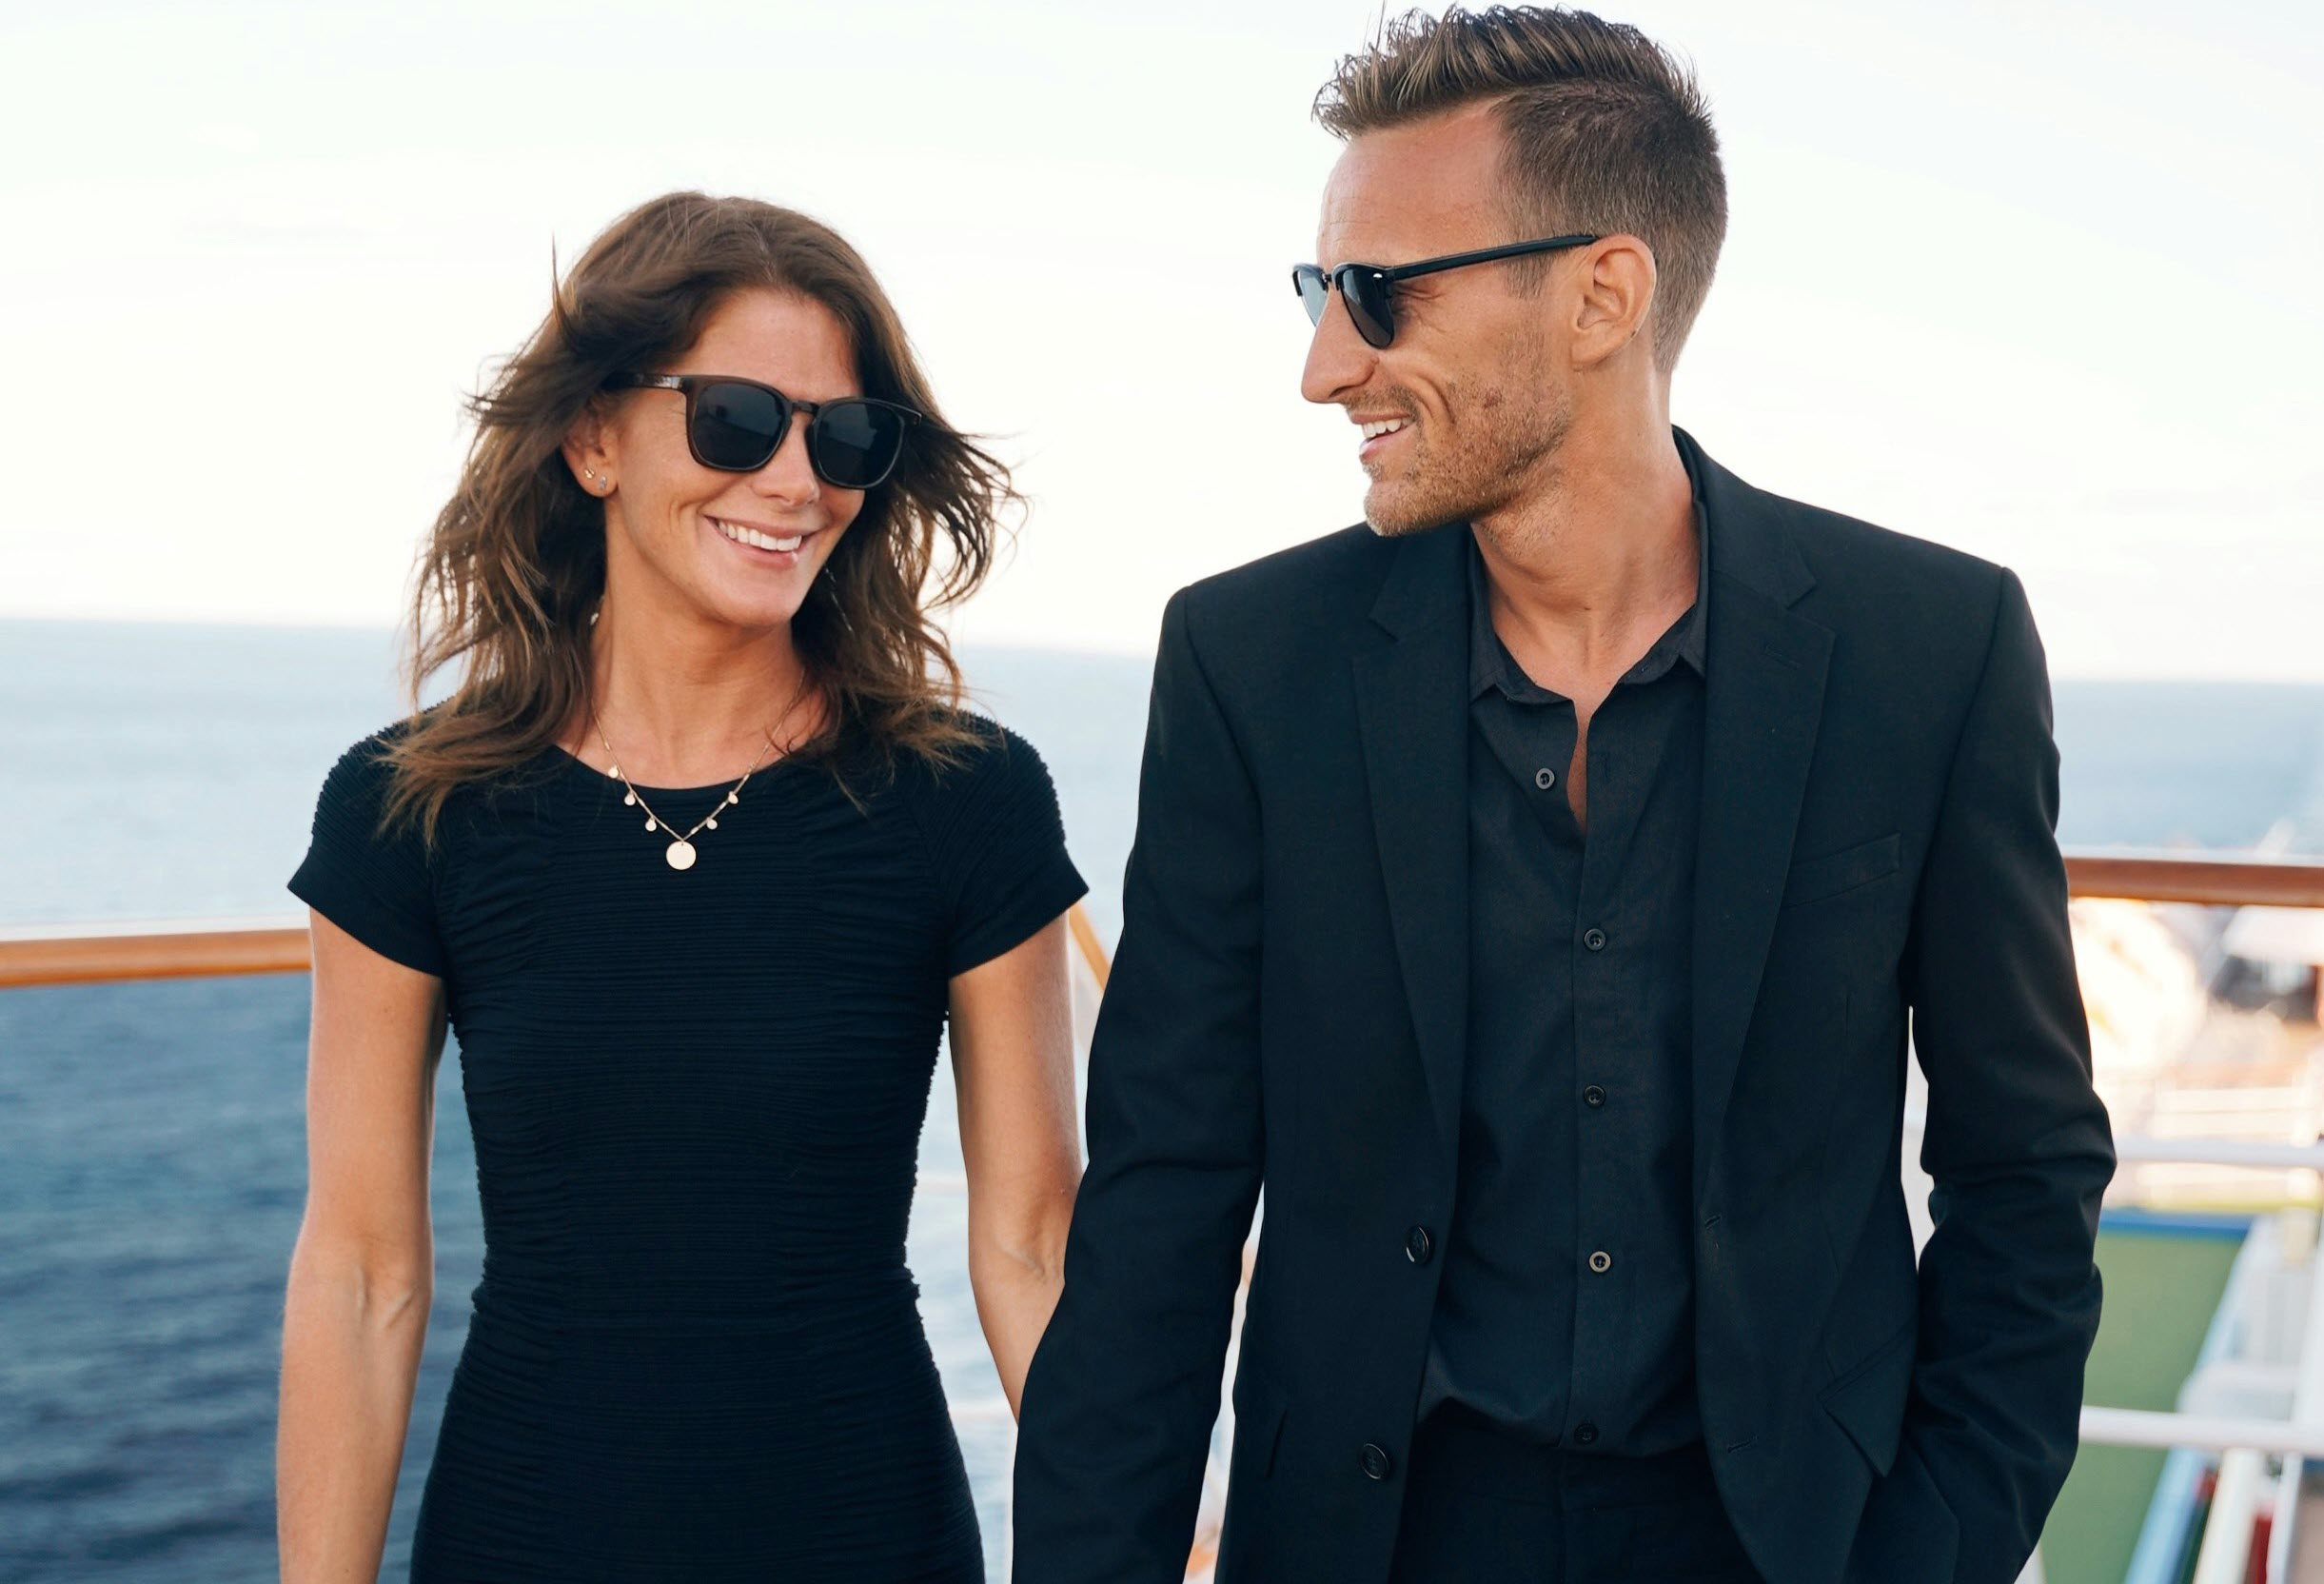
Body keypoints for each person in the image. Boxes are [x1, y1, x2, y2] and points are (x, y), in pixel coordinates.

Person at [1012, 10, 2113, 1583]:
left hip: (1788, 1536)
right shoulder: (1245, 664)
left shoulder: (1928, 650)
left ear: (1602, 293)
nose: (1328, 368)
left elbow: (2022, 1166)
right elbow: (1164, 1205)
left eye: (1382, 296)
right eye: (1322, 294)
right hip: (1378, 1536)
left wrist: (1932, 1551)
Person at [276, 191, 1086, 1582]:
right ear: (593, 436)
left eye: (842, 437)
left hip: (867, 1533)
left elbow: (1029, 1247)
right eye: (734, 419)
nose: (794, 481)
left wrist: (1115, 1556)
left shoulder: (965, 797)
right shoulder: (412, 808)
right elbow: (360, 1277)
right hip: (524, 1534)